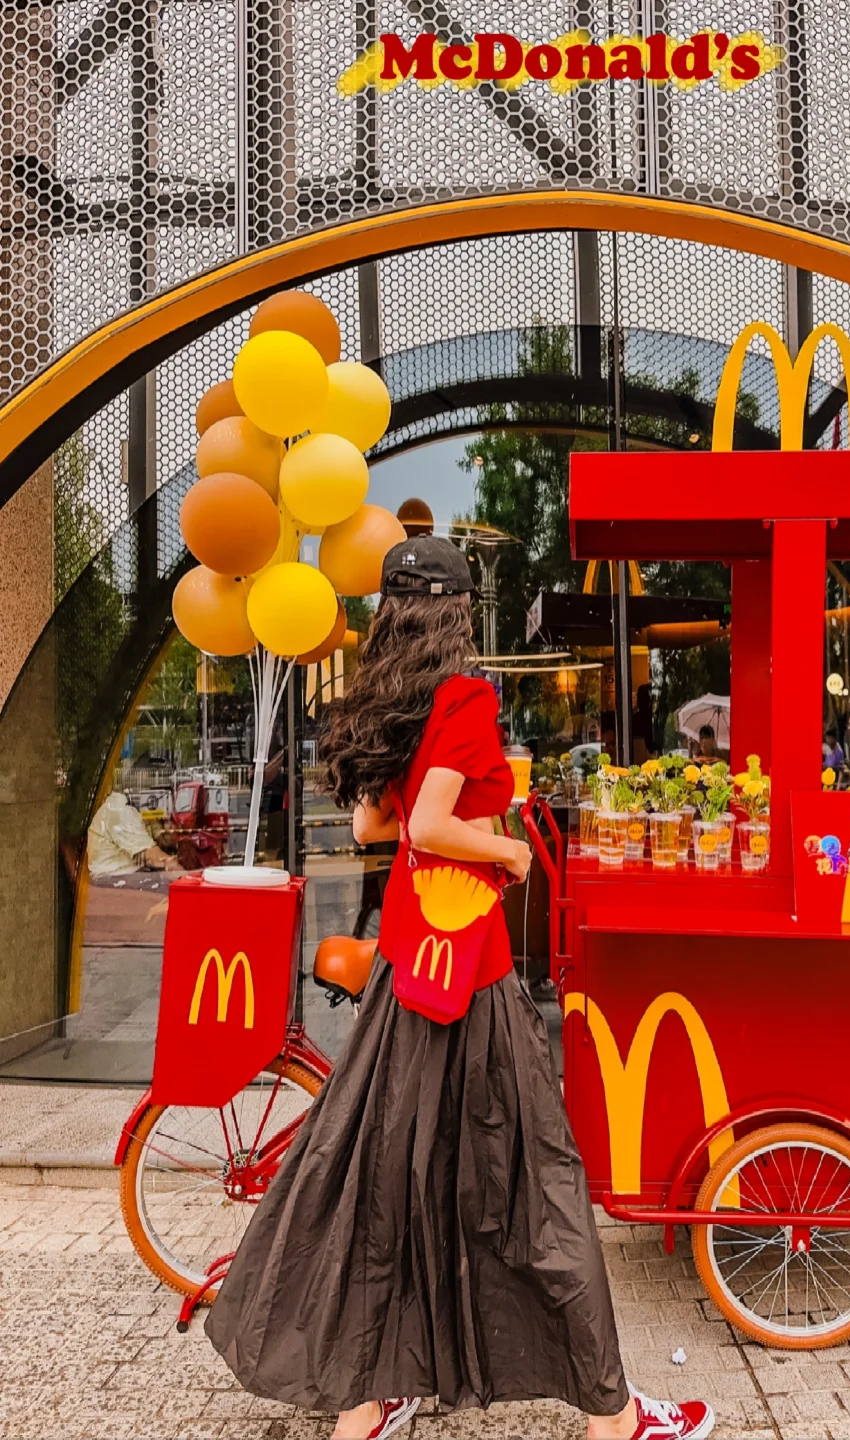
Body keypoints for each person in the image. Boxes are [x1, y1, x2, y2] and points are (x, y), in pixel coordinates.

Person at [205, 536, 714, 1440]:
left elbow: (375, 823)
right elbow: (434, 827)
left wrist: (424, 808)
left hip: (405, 974)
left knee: (380, 1176)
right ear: (457, 613)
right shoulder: (468, 697)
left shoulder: (390, 706)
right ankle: (615, 1416)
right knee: (534, 1183)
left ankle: (364, 1401)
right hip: (470, 983)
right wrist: (510, 848)